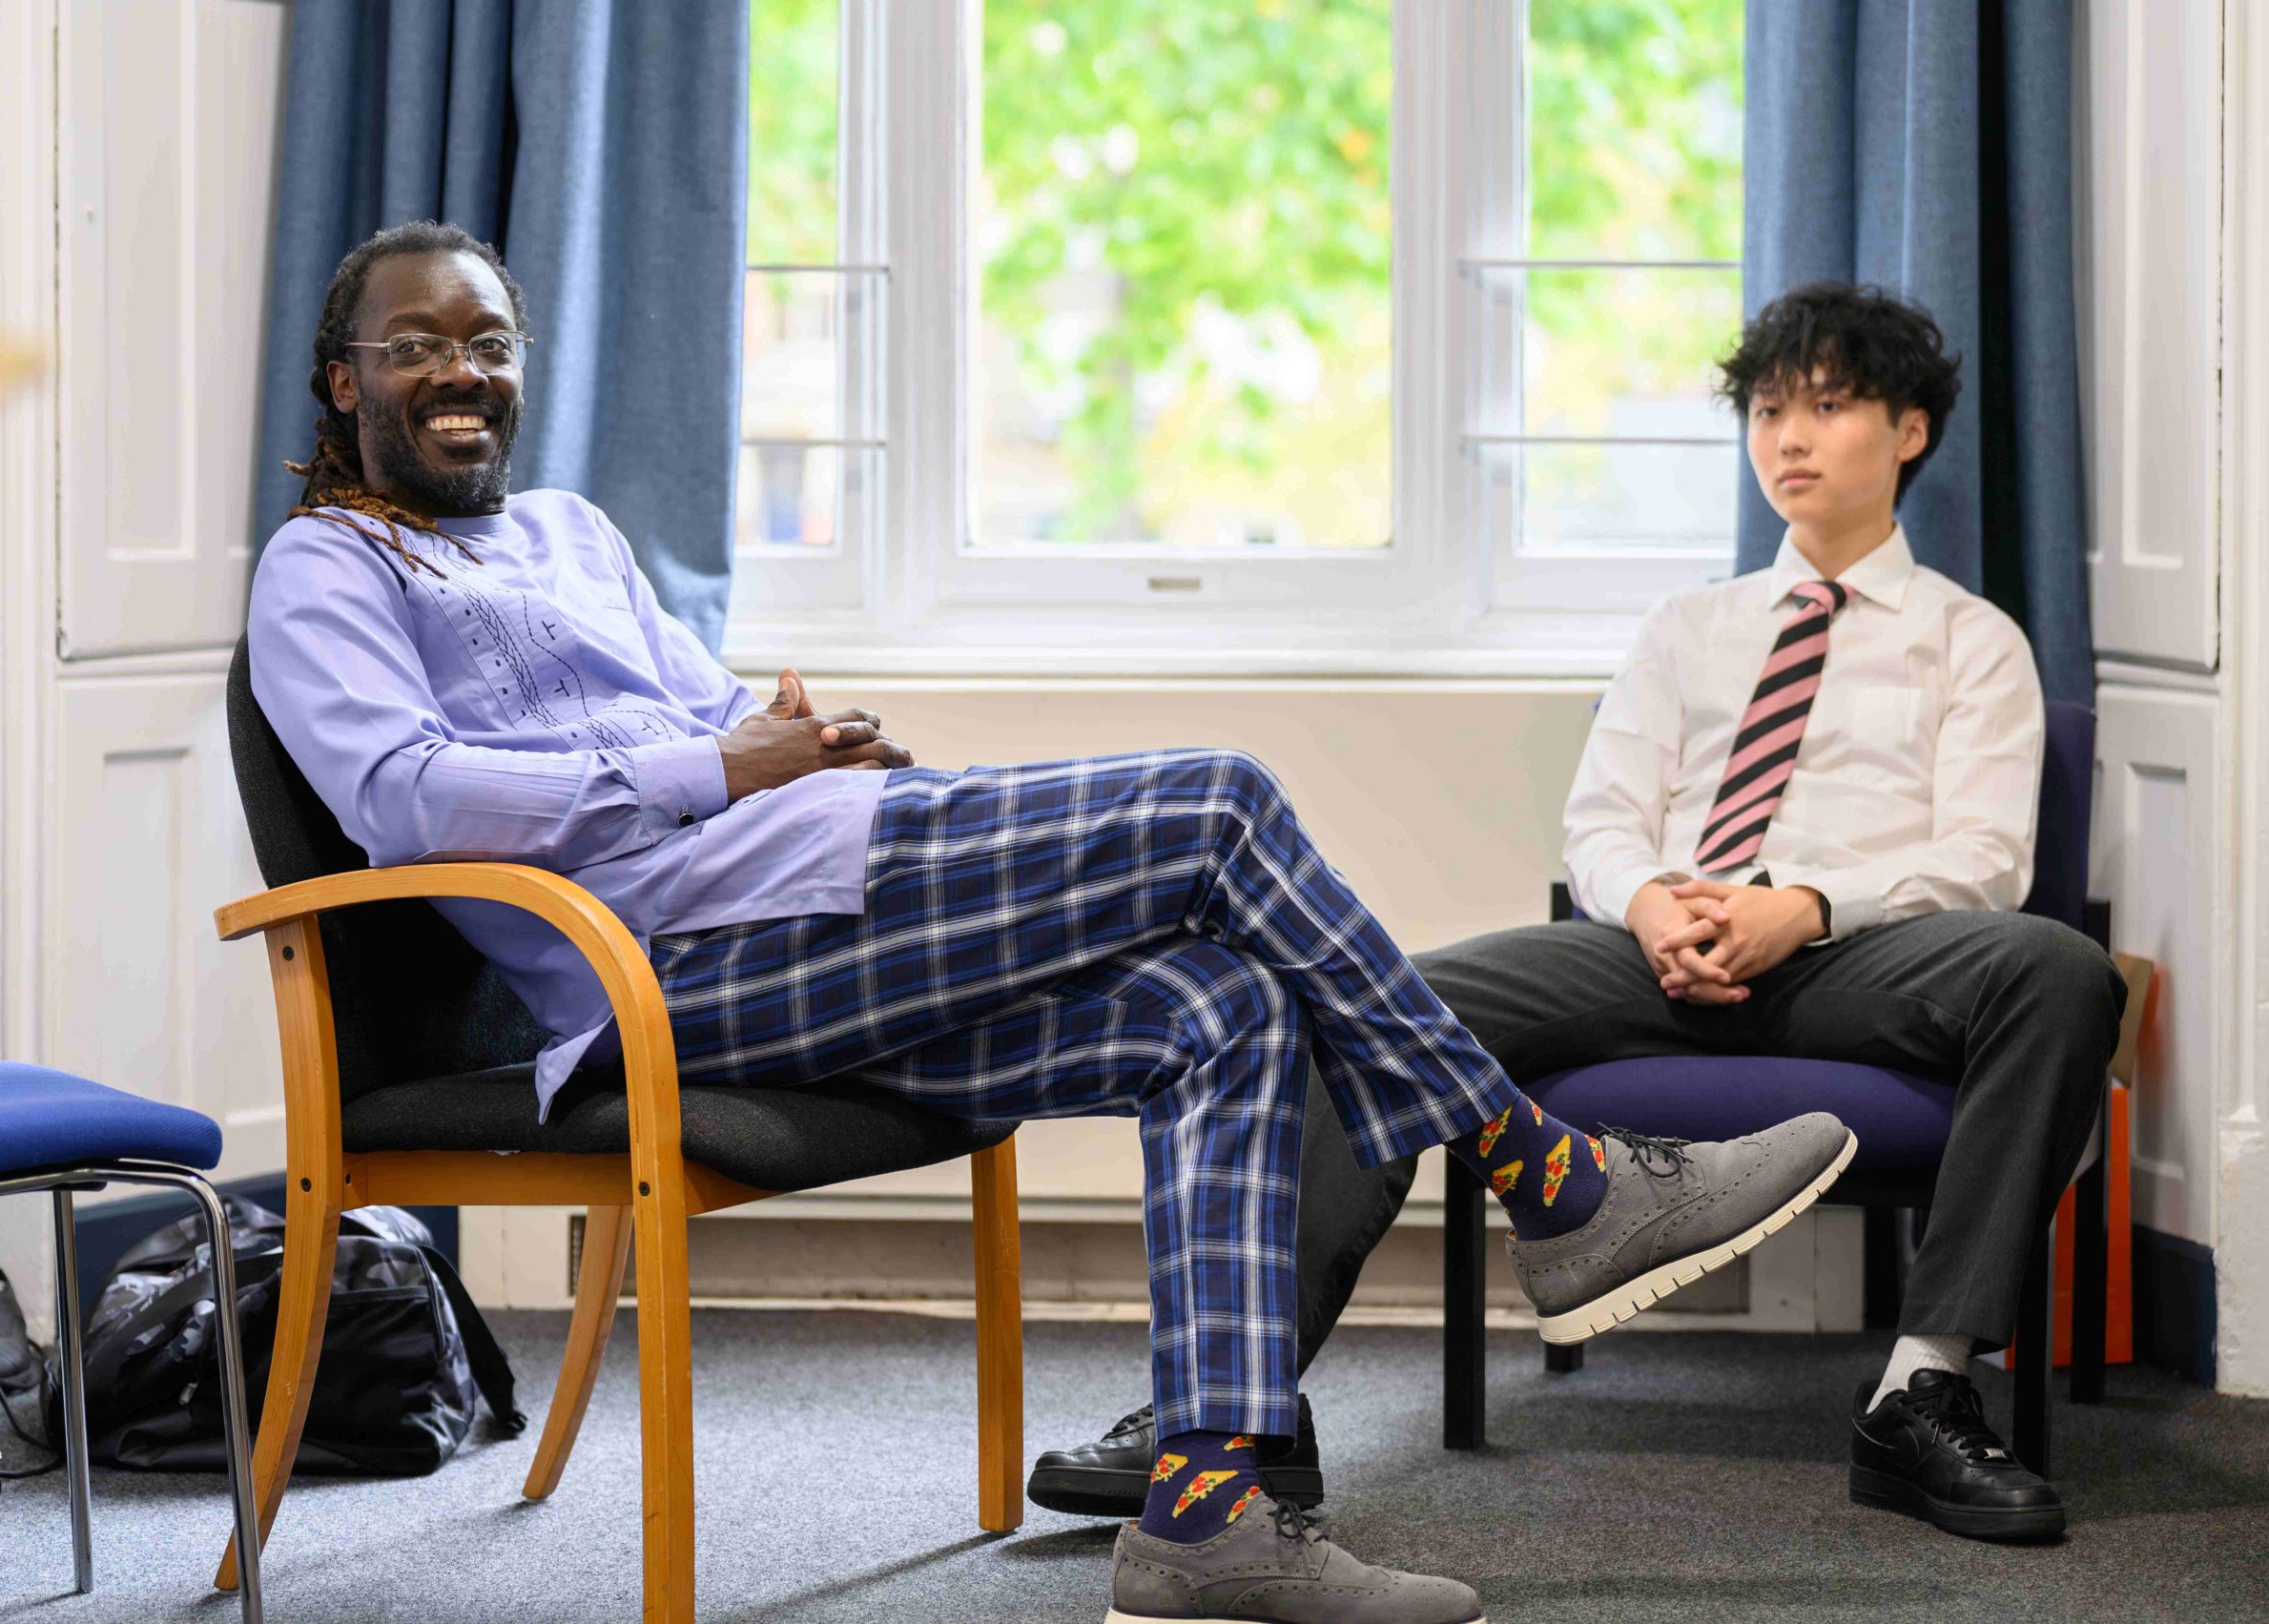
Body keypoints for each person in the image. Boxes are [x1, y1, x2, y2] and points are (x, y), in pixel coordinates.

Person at [247, 220, 1858, 1622]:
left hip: (823, 888)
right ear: (344, 383)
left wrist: (783, 731)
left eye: (488, 341)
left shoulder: (574, 535)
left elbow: (712, 717)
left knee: (1218, 1003)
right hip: (670, 978)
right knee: (1218, 800)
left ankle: (1210, 1513)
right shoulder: (323, 570)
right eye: (414, 347)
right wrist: (717, 761)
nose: (460, 373)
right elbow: (406, 799)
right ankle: (1553, 1178)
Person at [1038, 281, 2125, 1546]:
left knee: (2061, 970)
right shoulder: (1692, 630)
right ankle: (1237, 1416)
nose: (1789, 438)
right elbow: (1602, 820)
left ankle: (1919, 1394)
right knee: (1354, 990)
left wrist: (1802, 907)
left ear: (1910, 432)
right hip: (1639, 952)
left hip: (1857, 960)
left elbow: (1986, 858)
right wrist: (1654, 900)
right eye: (1770, 410)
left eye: (1828, 408)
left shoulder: (1972, 641)